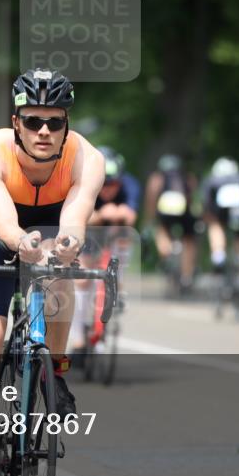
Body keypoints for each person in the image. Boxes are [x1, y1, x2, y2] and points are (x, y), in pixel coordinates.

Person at [0, 68, 104, 476]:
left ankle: (54, 372)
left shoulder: (86, 158)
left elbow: (76, 216)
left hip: (53, 222)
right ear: (16, 121)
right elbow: (3, 221)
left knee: (62, 269)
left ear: (67, 126)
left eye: (55, 122)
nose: (44, 131)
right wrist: (21, 242)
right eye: (33, 120)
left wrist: (67, 244)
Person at [70, 146, 139, 361]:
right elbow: (77, 218)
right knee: (82, 280)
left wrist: (120, 215)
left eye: (114, 185)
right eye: (104, 185)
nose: (109, 190)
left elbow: (131, 215)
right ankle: (78, 336)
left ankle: (114, 286)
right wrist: (100, 214)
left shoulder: (130, 185)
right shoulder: (84, 182)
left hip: (116, 232)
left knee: (123, 243)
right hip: (89, 230)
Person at [143, 153, 199, 292]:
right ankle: (187, 276)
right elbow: (192, 195)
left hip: (165, 208)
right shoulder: (186, 176)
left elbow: (152, 196)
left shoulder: (157, 177)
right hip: (184, 208)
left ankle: (166, 254)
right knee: (189, 240)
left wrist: (149, 219)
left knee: (161, 230)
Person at [201, 157, 239, 296]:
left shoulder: (212, 180)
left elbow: (207, 204)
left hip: (222, 212)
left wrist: (206, 218)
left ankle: (218, 255)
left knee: (215, 226)